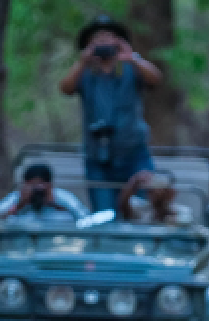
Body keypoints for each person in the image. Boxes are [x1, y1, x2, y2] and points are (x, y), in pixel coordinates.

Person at [59, 15, 164, 214]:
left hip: (135, 155)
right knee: (104, 215)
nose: (103, 44)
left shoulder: (131, 69)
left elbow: (156, 79)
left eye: (109, 38)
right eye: (97, 40)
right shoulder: (85, 73)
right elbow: (65, 88)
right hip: (97, 158)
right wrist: (82, 62)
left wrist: (131, 57)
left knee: (143, 211)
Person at [0, 164, 89, 224]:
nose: (36, 190)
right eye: (32, 185)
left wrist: (55, 203)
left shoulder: (62, 197)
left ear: (50, 185)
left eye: (40, 185)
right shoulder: (16, 197)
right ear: (25, 184)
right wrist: (20, 205)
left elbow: (85, 219)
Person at [117, 171, 194, 226]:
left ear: (171, 193)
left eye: (161, 189)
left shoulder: (182, 211)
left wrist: (165, 213)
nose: (155, 193)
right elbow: (123, 206)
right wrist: (135, 181)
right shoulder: (141, 208)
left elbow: (184, 221)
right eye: (151, 190)